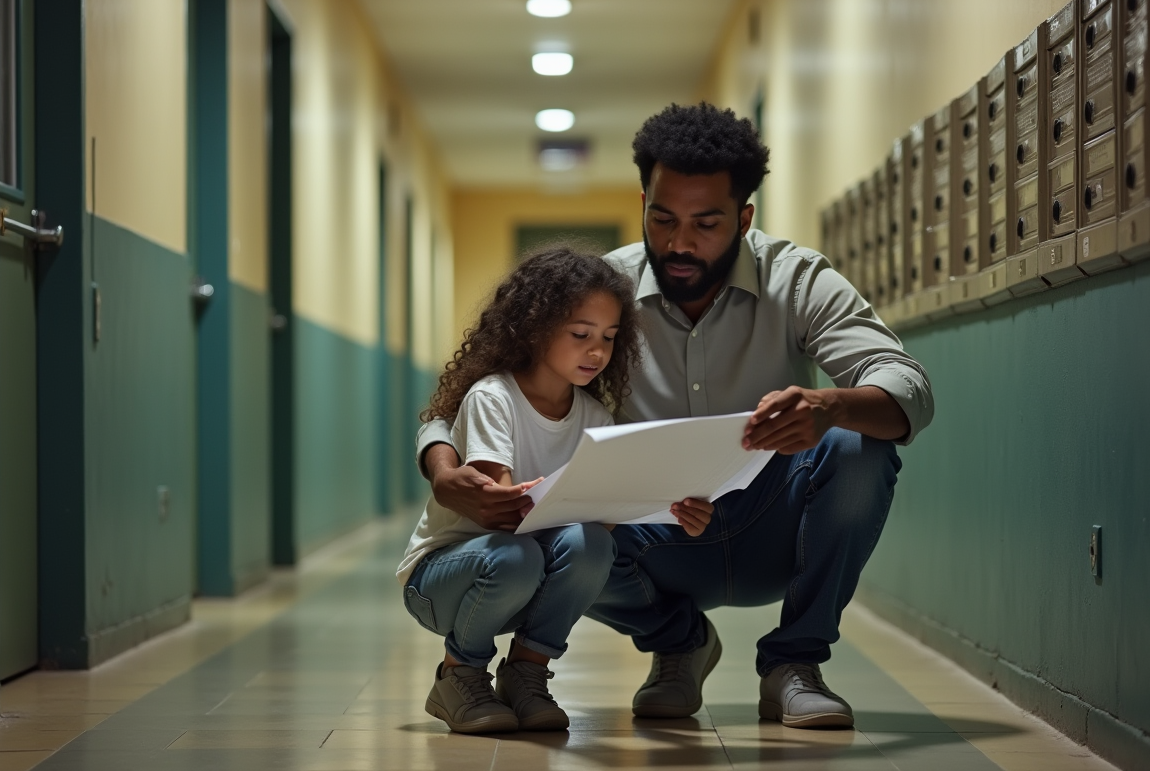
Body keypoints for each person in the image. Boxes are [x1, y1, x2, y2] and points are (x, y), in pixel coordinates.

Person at [417, 103, 934, 729]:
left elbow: (907, 387)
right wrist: (443, 469)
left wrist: (831, 406)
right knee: (571, 537)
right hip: (651, 535)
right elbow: (477, 385)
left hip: (773, 520)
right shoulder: (606, 290)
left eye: (706, 223)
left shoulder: (796, 278)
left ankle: (794, 664)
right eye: (661, 218)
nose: (678, 242)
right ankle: (678, 644)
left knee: (860, 446)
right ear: (643, 202)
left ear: (745, 218)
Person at [399, 246, 715, 735]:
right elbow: (501, 516)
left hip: (518, 578)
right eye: (581, 334)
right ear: (534, 328)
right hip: (442, 581)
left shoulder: (595, 417)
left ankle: (526, 673)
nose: (598, 351)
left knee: (593, 544)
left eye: (609, 338)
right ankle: (457, 675)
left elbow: (596, 517)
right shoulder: (493, 397)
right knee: (516, 553)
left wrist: (662, 505)